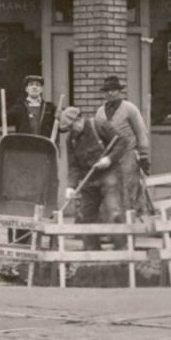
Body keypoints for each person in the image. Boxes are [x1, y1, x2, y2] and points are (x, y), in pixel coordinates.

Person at [59, 106, 122, 249]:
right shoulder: (71, 140)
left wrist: (110, 159)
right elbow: (73, 165)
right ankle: (91, 252)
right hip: (88, 179)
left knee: (113, 211)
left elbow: (121, 142)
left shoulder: (99, 125)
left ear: (79, 119)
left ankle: (122, 249)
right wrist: (71, 186)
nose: (72, 131)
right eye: (69, 129)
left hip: (109, 174)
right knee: (86, 216)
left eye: (72, 127)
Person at [93, 75, 153, 216]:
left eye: (114, 90)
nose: (110, 93)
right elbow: (97, 135)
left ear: (119, 91)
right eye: (107, 90)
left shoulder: (129, 108)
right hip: (109, 156)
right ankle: (114, 221)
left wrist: (144, 154)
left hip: (128, 154)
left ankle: (132, 220)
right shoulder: (100, 112)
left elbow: (141, 132)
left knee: (129, 187)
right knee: (110, 188)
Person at [0, 74, 57, 138]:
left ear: (41, 89)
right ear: (26, 89)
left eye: (37, 85)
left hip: (45, 150)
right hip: (24, 150)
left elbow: (61, 127)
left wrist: (64, 117)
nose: (34, 87)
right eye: (31, 85)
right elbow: (3, 120)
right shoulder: (20, 107)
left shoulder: (50, 108)